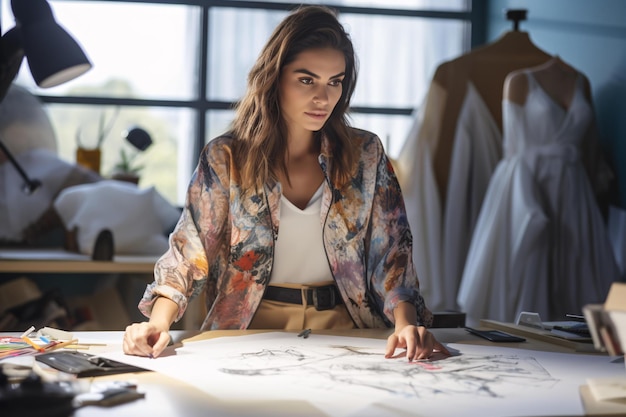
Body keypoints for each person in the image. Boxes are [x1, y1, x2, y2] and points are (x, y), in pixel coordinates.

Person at [123, 5, 449, 362]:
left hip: (348, 331)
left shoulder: (365, 155)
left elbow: (392, 256)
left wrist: (405, 325)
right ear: (275, 77)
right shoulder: (226, 158)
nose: (323, 98)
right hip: (249, 330)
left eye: (334, 82)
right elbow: (189, 253)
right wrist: (157, 323)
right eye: (306, 80)